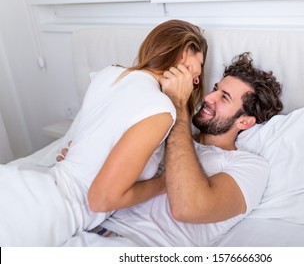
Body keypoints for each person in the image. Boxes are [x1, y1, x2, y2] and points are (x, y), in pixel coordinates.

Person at [0, 19, 208, 246]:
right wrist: (162, 183)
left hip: (24, 184)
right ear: (180, 65)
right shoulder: (162, 109)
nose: (196, 81)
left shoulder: (110, 74)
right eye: (195, 71)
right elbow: (101, 199)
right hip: (47, 213)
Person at [64, 52, 283, 246]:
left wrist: (178, 105)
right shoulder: (166, 129)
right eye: (216, 89)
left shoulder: (249, 167)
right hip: (81, 230)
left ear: (245, 122)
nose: (208, 98)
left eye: (224, 98)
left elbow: (187, 208)